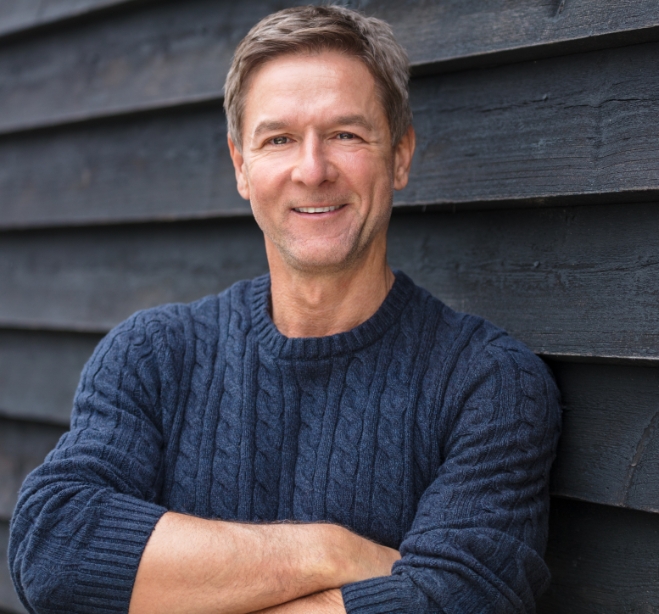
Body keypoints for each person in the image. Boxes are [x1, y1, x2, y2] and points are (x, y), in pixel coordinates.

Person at [9, 5, 561, 614]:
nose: (312, 169)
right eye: (279, 139)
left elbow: (458, 600)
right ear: (241, 166)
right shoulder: (153, 355)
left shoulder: (488, 383)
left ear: (400, 155)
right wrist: (331, 553)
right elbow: (54, 547)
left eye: (346, 134)